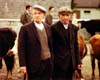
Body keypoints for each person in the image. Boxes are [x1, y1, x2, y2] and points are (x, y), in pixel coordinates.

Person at [18, 5, 53, 80]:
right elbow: (21, 47)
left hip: (47, 63)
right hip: (33, 64)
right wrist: (22, 65)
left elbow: (51, 45)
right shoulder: (25, 28)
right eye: (35, 13)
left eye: (39, 13)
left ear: (44, 15)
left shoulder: (48, 27)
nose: (37, 15)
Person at [51, 6, 82, 80]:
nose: (65, 17)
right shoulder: (53, 28)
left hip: (71, 63)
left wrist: (78, 61)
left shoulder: (74, 28)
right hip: (58, 64)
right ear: (59, 16)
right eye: (63, 15)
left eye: (67, 15)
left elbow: (75, 46)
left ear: (70, 16)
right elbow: (51, 46)